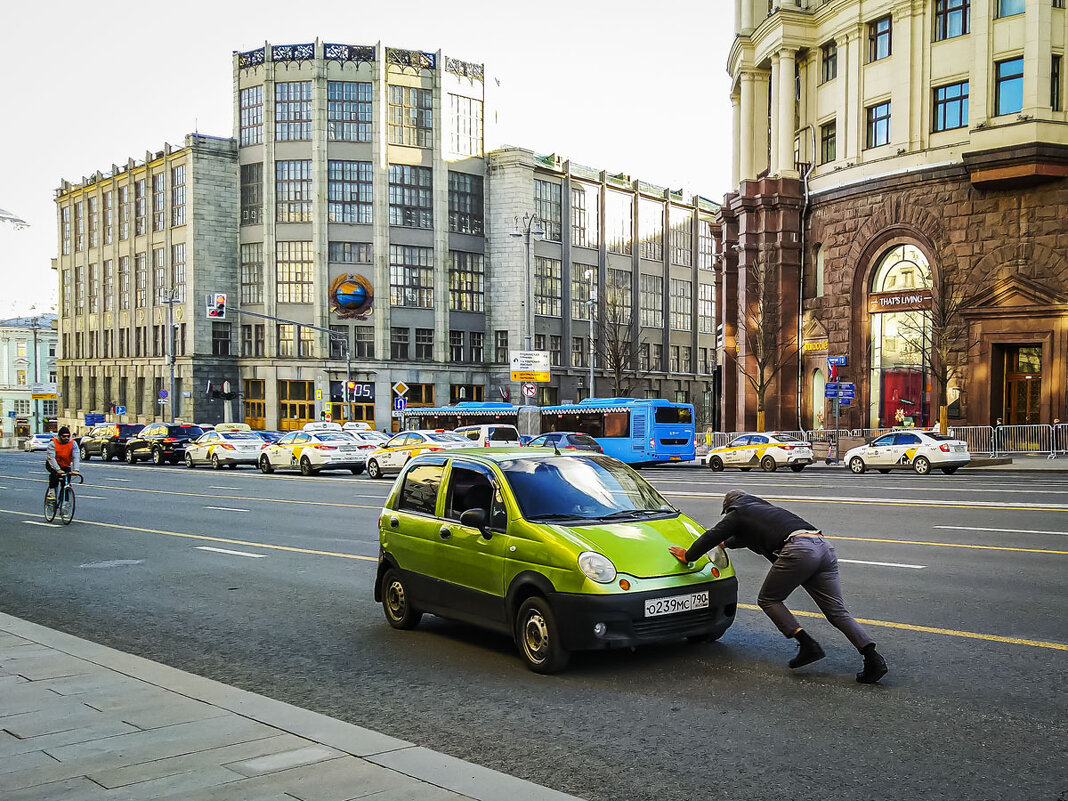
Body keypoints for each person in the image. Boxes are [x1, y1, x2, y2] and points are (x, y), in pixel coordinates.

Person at [669, 490, 888, 684]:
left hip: (799, 551)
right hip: (823, 547)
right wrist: (726, 544)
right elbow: (742, 538)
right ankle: (872, 658)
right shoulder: (764, 510)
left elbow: (712, 535)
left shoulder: (738, 512)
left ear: (729, 508)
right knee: (837, 612)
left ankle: (807, 644)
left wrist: (688, 555)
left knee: (768, 599)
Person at [45, 426, 81, 500]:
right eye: (64, 436)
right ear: (59, 436)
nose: (66, 438)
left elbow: (76, 456)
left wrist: (76, 469)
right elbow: (51, 458)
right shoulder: (53, 443)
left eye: (68, 436)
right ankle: (51, 492)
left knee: (66, 480)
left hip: (65, 464)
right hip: (52, 463)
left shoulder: (73, 443)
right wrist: (57, 469)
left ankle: (64, 498)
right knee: (54, 475)